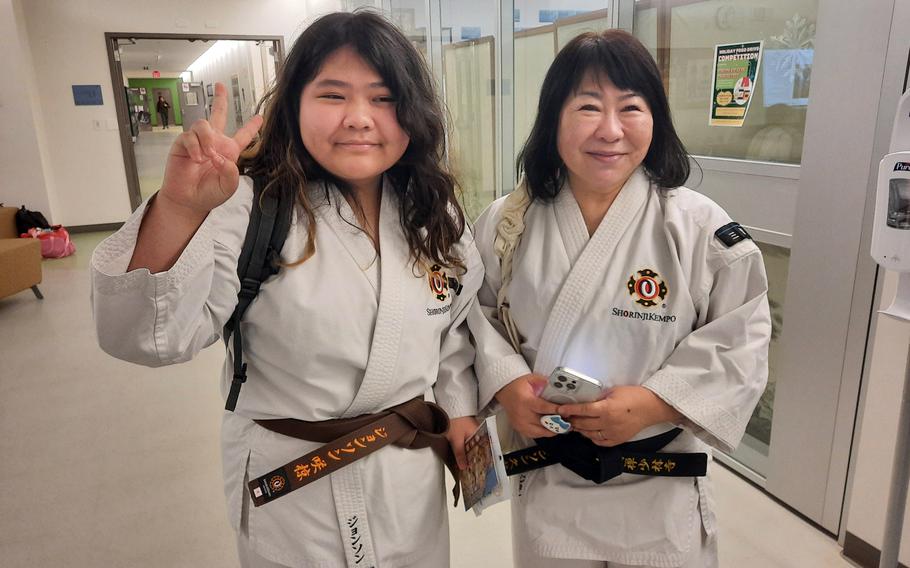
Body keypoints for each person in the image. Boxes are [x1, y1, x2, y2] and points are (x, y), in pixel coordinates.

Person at [92, 11, 480, 568]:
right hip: (295, 487)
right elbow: (146, 337)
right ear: (293, 105)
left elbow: (453, 332)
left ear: (414, 113)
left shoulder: (434, 211)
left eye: (383, 97)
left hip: (406, 481)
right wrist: (179, 209)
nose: (359, 118)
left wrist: (461, 413)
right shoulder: (249, 207)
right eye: (332, 95)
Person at [468, 29, 771, 567]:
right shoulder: (506, 222)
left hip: (661, 481)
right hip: (551, 475)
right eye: (588, 107)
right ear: (553, 119)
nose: (610, 130)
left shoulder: (699, 227)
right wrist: (510, 385)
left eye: (631, 108)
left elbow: (741, 339)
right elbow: (475, 317)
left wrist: (654, 404)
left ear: (655, 119)